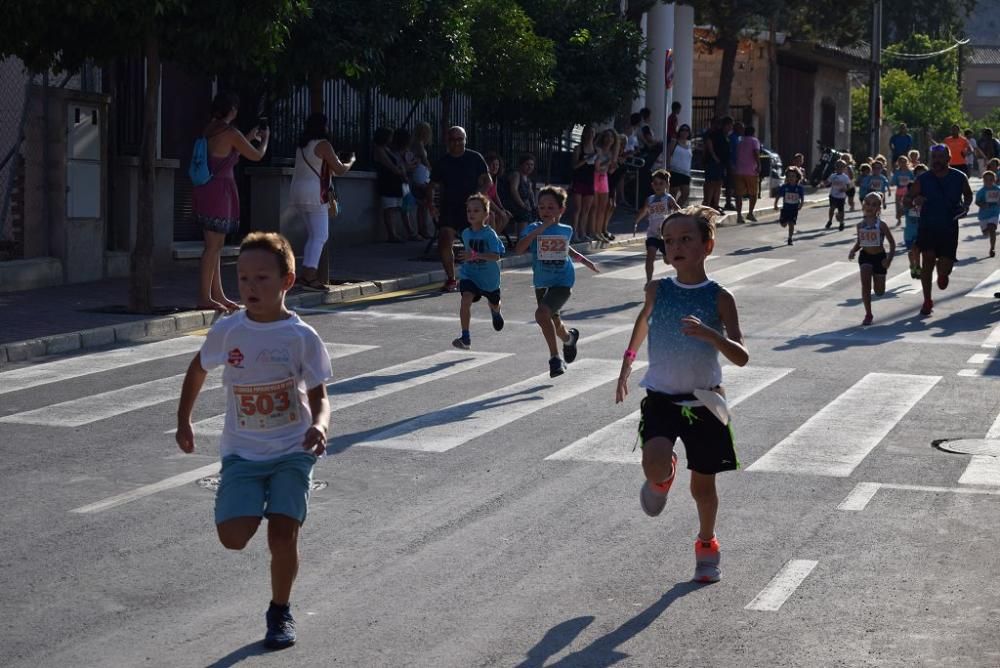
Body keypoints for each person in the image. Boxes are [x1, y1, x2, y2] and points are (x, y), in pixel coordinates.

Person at [175, 232, 332, 650]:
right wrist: (184, 421)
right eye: (243, 278)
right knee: (233, 537)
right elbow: (197, 370)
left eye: (262, 278)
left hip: (292, 451)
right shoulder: (229, 330)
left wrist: (319, 424)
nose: (250, 287)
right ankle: (253, 500)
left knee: (281, 537)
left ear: (287, 281)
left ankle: (280, 611)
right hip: (242, 452)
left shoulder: (302, 337)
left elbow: (320, 396)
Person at [615, 205, 748, 584]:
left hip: (705, 403)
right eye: (669, 241)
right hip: (661, 398)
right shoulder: (657, 289)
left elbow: (741, 356)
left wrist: (711, 334)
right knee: (653, 462)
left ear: (707, 246)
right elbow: (643, 322)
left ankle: (707, 543)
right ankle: (662, 477)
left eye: (686, 239)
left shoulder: (720, 297)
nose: (675, 247)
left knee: (703, 488)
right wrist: (627, 363)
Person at [192, 91, 269, 312]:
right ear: (232, 110)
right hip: (220, 191)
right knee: (213, 246)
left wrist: (247, 135)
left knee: (214, 245)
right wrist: (264, 140)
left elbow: (227, 154)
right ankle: (205, 296)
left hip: (206, 188)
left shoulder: (210, 129)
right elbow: (256, 155)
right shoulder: (231, 132)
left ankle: (216, 294)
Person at [514, 186, 600, 377]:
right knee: (553, 320)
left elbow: (566, 249)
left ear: (561, 210)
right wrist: (540, 230)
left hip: (562, 281)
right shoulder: (532, 228)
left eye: (551, 207)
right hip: (542, 283)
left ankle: (555, 358)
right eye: (542, 207)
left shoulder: (566, 229)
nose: (546, 211)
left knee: (542, 314)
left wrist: (586, 261)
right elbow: (519, 249)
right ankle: (569, 339)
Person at [288, 113, 356, 292]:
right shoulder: (323, 144)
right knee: (320, 236)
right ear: (323, 127)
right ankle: (309, 276)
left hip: (297, 191)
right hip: (314, 192)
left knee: (313, 235)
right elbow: (340, 169)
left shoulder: (302, 146)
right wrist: (351, 162)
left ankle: (305, 275)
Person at [904, 144, 973, 316]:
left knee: (945, 268)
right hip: (927, 226)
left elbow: (968, 195)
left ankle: (943, 273)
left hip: (949, 227)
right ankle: (927, 300)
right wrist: (914, 201)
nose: (936, 161)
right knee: (927, 260)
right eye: (934, 158)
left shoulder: (959, 177)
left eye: (941, 157)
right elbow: (907, 199)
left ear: (949, 159)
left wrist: (965, 206)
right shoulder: (923, 179)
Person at [428, 126, 491, 292]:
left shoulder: (475, 158)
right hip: (449, 207)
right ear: (447, 141)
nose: (456, 143)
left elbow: (487, 181)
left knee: (472, 243)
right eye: (453, 140)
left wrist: (479, 199)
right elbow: (432, 186)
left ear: (465, 140)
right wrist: (431, 206)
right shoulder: (442, 162)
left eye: (460, 139)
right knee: (444, 240)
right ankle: (451, 278)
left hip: (470, 209)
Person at [452, 194, 506, 349]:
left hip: (489, 279)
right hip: (470, 274)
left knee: (494, 303)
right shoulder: (465, 233)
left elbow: (496, 256)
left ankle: (495, 312)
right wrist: (465, 258)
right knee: (465, 299)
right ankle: (465, 337)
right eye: (469, 211)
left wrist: (475, 255)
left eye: (476, 210)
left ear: (485, 214)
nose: (471, 214)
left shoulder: (490, 234)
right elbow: (468, 253)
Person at [848, 193, 896, 326]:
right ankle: (868, 314)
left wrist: (889, 259)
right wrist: (853, 250)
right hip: (865, 257)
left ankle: (878, 279)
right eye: (868, 203)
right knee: (865, 284)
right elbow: (860, 242)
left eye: (874, 205)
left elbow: (892, 243)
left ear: (879, 209)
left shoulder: (882, 225)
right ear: (863, 205)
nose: (870, 206)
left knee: (879, 291)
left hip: (879, 258)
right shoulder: (860, 225)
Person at [634, 170, 679, 283]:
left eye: (661, 183)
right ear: (652, 185)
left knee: (668, 261)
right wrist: (636, 221)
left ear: (667, 185)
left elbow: (677, 209)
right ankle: (649, 282)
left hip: (666, 235)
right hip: (653, 234)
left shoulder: (668, 198)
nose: (658, 186)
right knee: (650, 256)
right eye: (655, 183)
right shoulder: (649, 199)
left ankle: (668, 258)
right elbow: (644, 211)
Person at [373, 127, 417, 243]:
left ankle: (397, 233)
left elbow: (399, 165)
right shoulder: (379, 150)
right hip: (387, 181)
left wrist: (402, 169)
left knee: (397, 206)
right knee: (389, 208)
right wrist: (400, 170)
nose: (392, 138)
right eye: (390, 136)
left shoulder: (387, 149)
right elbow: (391, 166)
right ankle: (392, 234)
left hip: (396, 182)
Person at [570, 125, 597, 242]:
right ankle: (574, 233)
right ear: (584, 134)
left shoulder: (596, 150)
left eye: (592, 132)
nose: (590, 135)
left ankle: (582, 232)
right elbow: (574, 166)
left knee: (586, 209)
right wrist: (586, 159)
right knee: (577, 208)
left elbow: (598, 167)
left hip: (590, 181)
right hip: (579, 180)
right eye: (588, 132)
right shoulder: (578, 148)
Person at [409, 122, 435, 239]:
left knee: (423, 205)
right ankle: (422, 229)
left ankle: (422, 228)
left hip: (422, 175)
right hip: (420, 175)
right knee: (423, 204)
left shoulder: (417, 144)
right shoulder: (418, 145)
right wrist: (433, 171)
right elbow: (424, 161)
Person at [702, 117, 732, 214]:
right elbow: (709, 144)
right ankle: (708, 205)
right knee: (711, 184)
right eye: (728, 125)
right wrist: (714, 157)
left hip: (722, 164)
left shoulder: (726, 136)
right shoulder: (715, 134)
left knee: (718, 184)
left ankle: (715, 205)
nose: (730, 127)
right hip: (713, 163)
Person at [904, 163, 928, 278]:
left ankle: (918, 266)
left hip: (922, 230)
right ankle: (912, 264)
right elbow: (903, 205)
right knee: (911, 251)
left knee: (917, 249)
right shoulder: (909, 194)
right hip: (909, 231)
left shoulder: (927, 190)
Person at [592, 129, 617, 241]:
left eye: (611, 137)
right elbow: (597, 167)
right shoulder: (598, 150)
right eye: (607, 136)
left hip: (604, 179)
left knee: (603, 207)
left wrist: (613, 166)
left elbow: (610, 171)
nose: (609, 139)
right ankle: (593, 231)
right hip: (595, 177)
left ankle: (599, 231)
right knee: (595, 207)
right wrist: (608, 163)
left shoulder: (612, 153)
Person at [733, 125, 761, 224]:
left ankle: (739, 215)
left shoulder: (740, 141)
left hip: (739, 170)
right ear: (753, 132)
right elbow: (756, 153)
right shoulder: (754, 141)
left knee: (739, 195)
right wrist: (759, 164)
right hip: (751, 171)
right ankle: (750, 213)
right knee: (753, 194)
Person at [507, 153, 538, 238]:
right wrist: (523, 205)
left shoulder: (528, 180)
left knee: (535, 212)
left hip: (522, 205)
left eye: (532, 165)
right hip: (512, 204)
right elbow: (514, 191)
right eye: (527, 164)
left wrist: (534, 207)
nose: (530, 167)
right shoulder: (517, 175)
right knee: (524, 213)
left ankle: (530, 239)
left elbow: (531, 195)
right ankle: (522, 239)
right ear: (521, 165)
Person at [774, 167, 805, 245]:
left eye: (793, 176)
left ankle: (790, 238)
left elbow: (802, 197)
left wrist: (801, 204)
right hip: (785, 209)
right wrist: (775, 204)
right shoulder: (784, 187)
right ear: (787, 177)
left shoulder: (799, 188)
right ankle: (785, 220)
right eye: (789, 176)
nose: (791, 178)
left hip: (794, 209)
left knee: (791, 223)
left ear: (797, 177)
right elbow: (778, 195)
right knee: (783, 224)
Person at [483, 151, 512, 237]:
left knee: (506, 215)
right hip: (483, 205)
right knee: (492, 215)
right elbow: (486, 196)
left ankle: (494, 238)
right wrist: (499, 211)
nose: (495, 167)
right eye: (492, 164)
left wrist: (502, 208)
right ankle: (491, 239)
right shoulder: (485, 177)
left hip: (491, 205)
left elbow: (495, 194)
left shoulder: (495, 178)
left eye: (497, 165)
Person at [974, 170, 1000, 258]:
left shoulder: (998, 190)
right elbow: (977, 202)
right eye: (986, 180)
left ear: (994, 180)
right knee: (986, 232)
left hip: (994, 213)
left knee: (992, 228)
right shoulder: (981, 191)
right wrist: (983, 204)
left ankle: (992, 248)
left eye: (991, 180)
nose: (989, 182)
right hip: (983, 215)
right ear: (983, 181)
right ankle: (986, 231)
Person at [667, 124, 693, 206]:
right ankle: (670, 213)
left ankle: (676, 211)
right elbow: (668, 154)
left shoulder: (690, 144)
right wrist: (667, 168)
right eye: (682, 130)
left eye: (687, 130)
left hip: (686, 173)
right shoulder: (674, 142)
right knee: (673, 193)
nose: (684, 132)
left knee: (685, 194)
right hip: (675, 171)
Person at [824, 160, 851, 230]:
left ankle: (841, 223)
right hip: (833, 195)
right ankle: (830, 220)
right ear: (835, 167)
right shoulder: (833, 176)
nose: (839, 168)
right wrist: (824, 183)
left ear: (844, 168)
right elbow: (827, 182)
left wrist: (845, 189)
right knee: (832, 208)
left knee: (841, 211)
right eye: (838, 166)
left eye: (841, 167)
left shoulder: (845, 177)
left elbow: (848, 186)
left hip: (841, 197)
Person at [724, 120, 743, 211]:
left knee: (733, 185)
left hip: (737, 165)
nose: (742, 130)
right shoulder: (732, 138)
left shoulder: (738, 138)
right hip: (732, 165)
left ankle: (730, 202)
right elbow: (730, 151)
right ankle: (728, 202)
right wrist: (731, 164)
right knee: (730, 184)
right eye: (741, 128)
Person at [890, 156, 914, 227]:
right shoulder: (897, 172)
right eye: (901, 162)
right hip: (899, 190)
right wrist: (892, 183)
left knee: (907, 205)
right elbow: (894, 181)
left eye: (904, 162)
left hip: (907, 191)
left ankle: (907, 218)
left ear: (907, 162)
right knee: (898, 206)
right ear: (898, 163)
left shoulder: (910, 172)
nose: (903, 163)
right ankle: (899, 219)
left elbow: (914, 179)